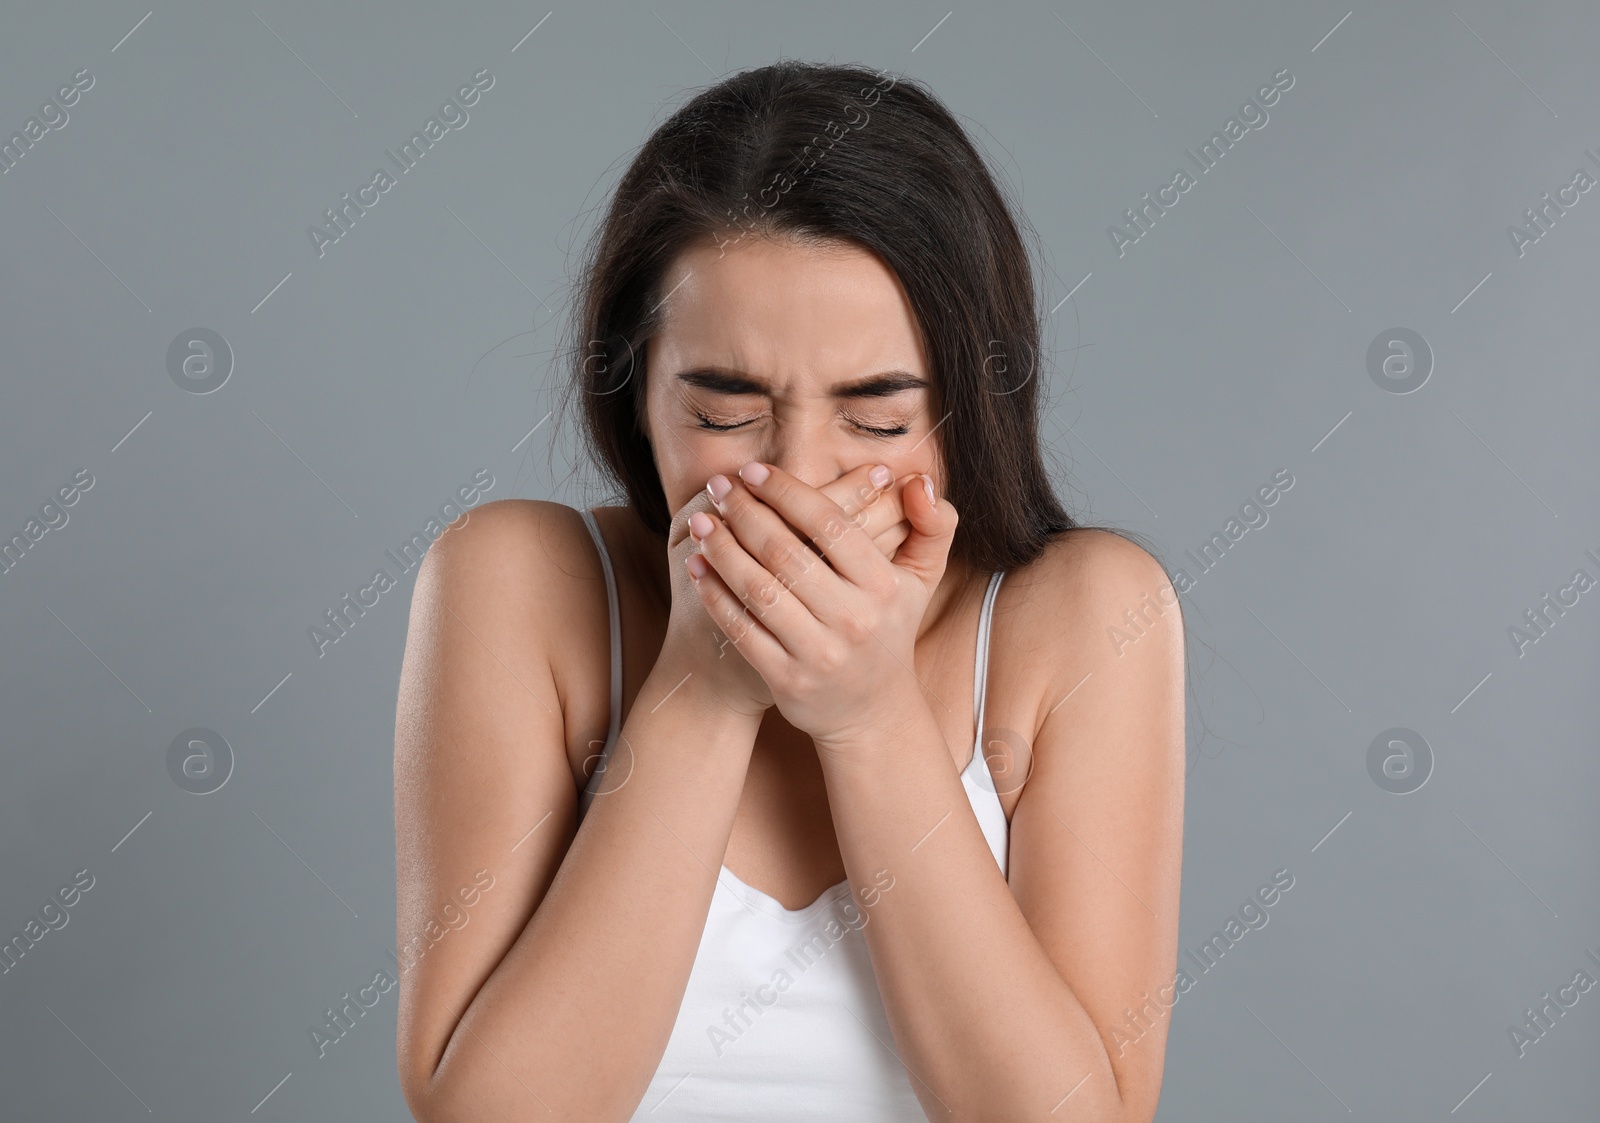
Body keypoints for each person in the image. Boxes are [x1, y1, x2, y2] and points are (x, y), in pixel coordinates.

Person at [394, 60, 1186, 1122]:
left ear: (968, 404)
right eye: (725, 412)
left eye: (877, 417)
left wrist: (867, 718)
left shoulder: (1083, 616)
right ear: (636, 394)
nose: (800, 474)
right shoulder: (519, 581)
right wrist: (706, 684)